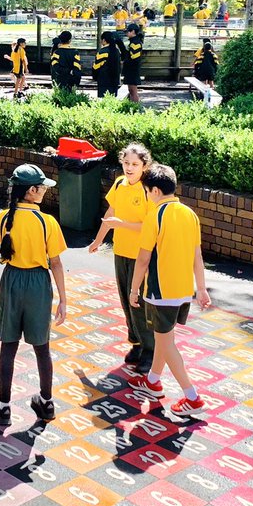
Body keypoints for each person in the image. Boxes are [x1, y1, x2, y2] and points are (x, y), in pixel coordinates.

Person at [0, 164, 67, 427]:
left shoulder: (6, 218)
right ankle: (47, 402)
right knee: (42, 347)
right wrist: (63, 298)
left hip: (12, 280)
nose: (44, 192)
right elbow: (56, 263)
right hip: (39, 284)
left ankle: (4, 406)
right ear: (31, 191)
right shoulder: (47, 222)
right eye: (41, 188)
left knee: (9, 345)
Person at [125, 164, 209, 419]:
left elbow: (142, 259)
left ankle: (192, 396)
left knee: (167, 343)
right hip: (184, 290)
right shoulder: (189, 214)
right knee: (164, 338)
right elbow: (197, 256)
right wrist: (201, 289)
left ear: (155, 191)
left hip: (161, 292)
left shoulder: (155, 216)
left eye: (148, 191)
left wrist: (134, 289)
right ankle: (153, 381)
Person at [88, 144, 153, 373]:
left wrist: (121, 225)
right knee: (125, 300)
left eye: (135, 164)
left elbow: (149, 226)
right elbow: (110, 213)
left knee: (139, 302)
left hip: (141, 255)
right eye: (126, 163)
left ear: (144, 165)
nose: (129, 168)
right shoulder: (119, 184)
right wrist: (98, 240)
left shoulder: (148, 189)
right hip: (121, 251)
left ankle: (150, 350)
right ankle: (135, 343)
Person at [92, 31, 121, 97]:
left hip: (104, 80)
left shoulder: (102, 52)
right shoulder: (116, 51)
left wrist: (95, 76)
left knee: (103, 98)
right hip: (115, 79)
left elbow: (96, 67)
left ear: (104, 40)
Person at [122, 25, 144, 103]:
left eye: (128, 31)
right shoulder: (133, 41)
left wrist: (126, 61)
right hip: (130, 68)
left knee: (133, 90)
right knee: (130, 89)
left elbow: (134, 57)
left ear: (133, 32)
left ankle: (135, 106)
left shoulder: (135, 43)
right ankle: (131, 104)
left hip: (133, 69)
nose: (127, 33)